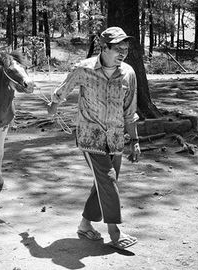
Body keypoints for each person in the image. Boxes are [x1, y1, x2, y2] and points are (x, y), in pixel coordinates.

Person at [47, 26, 141, 250]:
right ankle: (115, 232)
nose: (123, 53)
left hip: (116, 137)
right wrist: (53, 105)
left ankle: (85, 224)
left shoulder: (128, 73)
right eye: (118, 48)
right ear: (104, 47)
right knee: (107, 179)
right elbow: (63, 89)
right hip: (90, 135)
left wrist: (135, 141)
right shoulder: (84, 68)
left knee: (104, 183)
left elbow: (130, 111)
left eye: (126, 49)